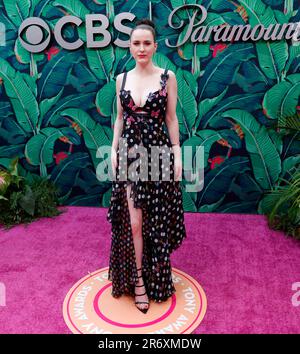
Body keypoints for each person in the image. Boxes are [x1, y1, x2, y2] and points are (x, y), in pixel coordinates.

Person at [107, 18, 187, 314]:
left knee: (156, 219)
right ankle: (138, 279)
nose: (141, 48)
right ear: (130, 46)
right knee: (135, 222)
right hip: (129, 154)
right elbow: (118, 118)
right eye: (136, 43)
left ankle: (156, 276)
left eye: (146, 43)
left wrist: (178, 153)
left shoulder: (168, 76)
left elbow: (171, 119)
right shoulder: (121, 80)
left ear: (155, 46)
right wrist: (114, 148)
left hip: (159, 153)